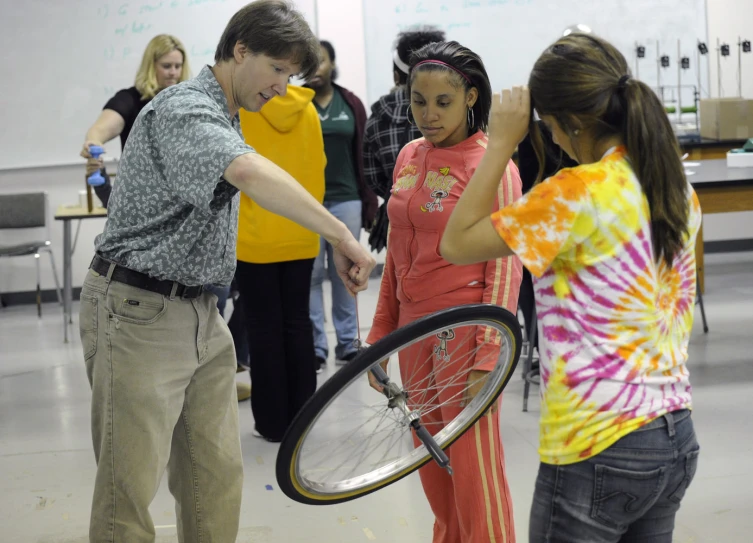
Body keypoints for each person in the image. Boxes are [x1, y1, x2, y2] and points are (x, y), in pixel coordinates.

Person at [77, 2, 375, 542]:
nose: (283, 87)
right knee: (128, 491)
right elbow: (246, 170)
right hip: (136, 310)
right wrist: (340, 233)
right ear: (240, 51)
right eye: (278, 70)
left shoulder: (227, 114)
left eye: (292, 75)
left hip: (201, 313)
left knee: (213, 479)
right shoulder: (185, 109)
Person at [441, 33, 701, 543]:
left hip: (598, 444)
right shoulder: (670, 183)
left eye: (549, 125)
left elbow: (456, 242)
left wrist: (499, 145)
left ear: (569, 123)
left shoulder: (573, 194)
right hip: (673, 432)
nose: (550, 137)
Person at [366, 41, 522, 543]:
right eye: (418, 101)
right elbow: (396, 249)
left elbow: (505, 263)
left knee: (475, 469)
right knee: (431, 459)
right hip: (413, 331)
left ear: (471, 96)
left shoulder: (492, 164)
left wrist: (488, 353)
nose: (428, 115)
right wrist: (380, 334)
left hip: (465, 330)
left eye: (443, 102)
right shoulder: (410, 156)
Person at [236, 83, 325, 441]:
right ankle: (303, 421)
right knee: (298, 323)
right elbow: (317, 164)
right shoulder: (308, 109)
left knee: (263, 327)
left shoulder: (242, 109)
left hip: (254, 234)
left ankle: (272, 424)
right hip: (302, 228)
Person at [306, 40, 377, 370]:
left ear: (332, 64)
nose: (316, 67)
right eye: (310, 62)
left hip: (346, 197)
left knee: (345, 273)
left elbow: (363, 154)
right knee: (311, 275)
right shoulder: (295, 103)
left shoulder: (350, 102)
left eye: (322, 61)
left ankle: (348, 344)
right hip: (306, 202)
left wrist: (369, 202)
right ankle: (316, 346)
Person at [80, 34, 190, 208]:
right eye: (166, 66)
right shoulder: (129, 100)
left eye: (178, 66)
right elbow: (99, 130)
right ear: (150, 66)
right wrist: (93, 141)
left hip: (182, 199)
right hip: (142, 199)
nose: (173, 72)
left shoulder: (190, 102)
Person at [363, 26, 445, 253]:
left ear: (396, 75)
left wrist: (402, 191)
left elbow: (373, 176)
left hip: (398, 220)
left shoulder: (378, 116)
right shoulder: (459, 112)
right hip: (450, 219)